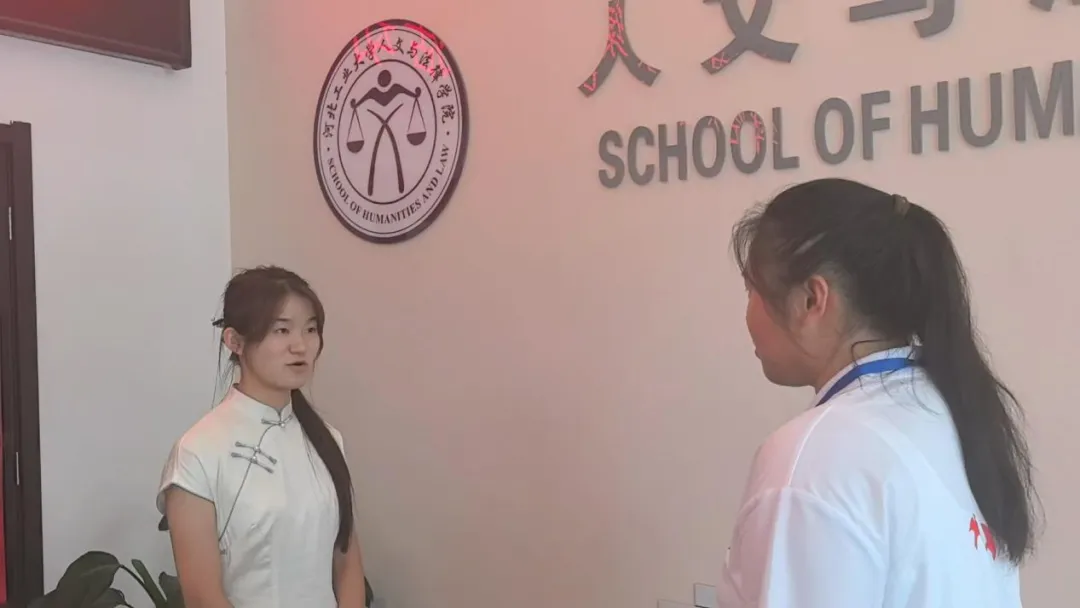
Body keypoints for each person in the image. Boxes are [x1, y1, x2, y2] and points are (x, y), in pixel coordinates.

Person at [716, 178, 1038, 607]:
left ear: (812, 300)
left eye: (751, 290)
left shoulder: (812, 462)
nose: (748, 312)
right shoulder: (950, 408)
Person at [157, 266, 367, 608]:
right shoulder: (198, 452)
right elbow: (202, 597)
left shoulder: (328, 440)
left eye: (310, 329)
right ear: (235, 341)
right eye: (281, 330)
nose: (300, 346)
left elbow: (347, 565)